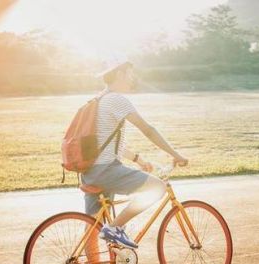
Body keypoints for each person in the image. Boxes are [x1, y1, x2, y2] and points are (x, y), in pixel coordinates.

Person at [81, 58, 188, 250]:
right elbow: (148, 130)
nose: (133, 78)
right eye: (130, 74)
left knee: (92, 227)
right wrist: (176, 154)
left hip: (90, 171)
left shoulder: (99, 99)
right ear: (120, 74)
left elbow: (109, 145)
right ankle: (115, 228)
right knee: (157, 187)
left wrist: (139, 159)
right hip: (106, 171)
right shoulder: (116, 99)